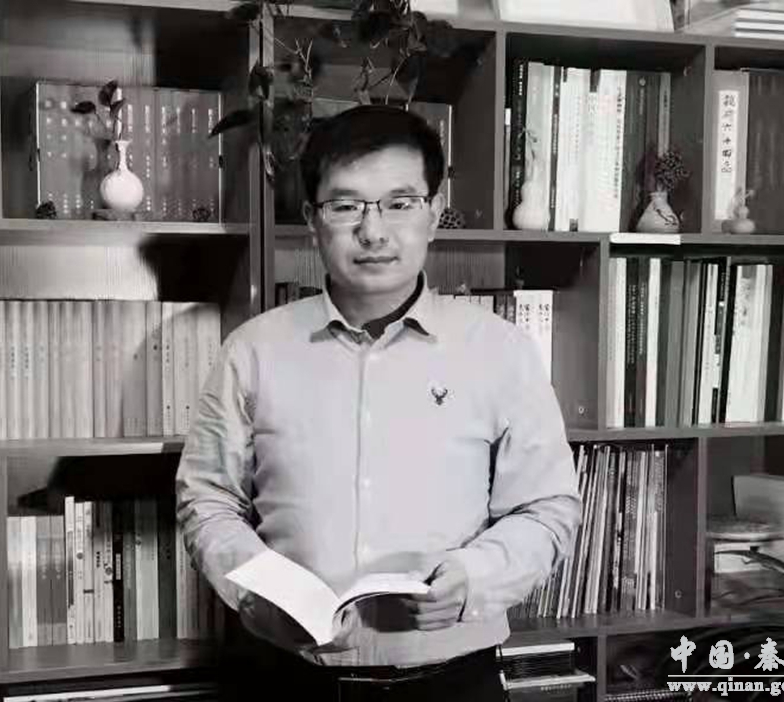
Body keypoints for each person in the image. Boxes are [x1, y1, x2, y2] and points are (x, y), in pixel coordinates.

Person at [174, 104, 582, 701]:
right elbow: (207, 500)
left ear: (434, 214)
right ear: (313, 220)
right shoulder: (253, 350)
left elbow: (547, 508)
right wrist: (258, 595)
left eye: (399, 203)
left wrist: (474, 578)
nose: (373, 231)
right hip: (289, 680)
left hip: (453, 685)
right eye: (346, 206)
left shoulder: (501, 350)